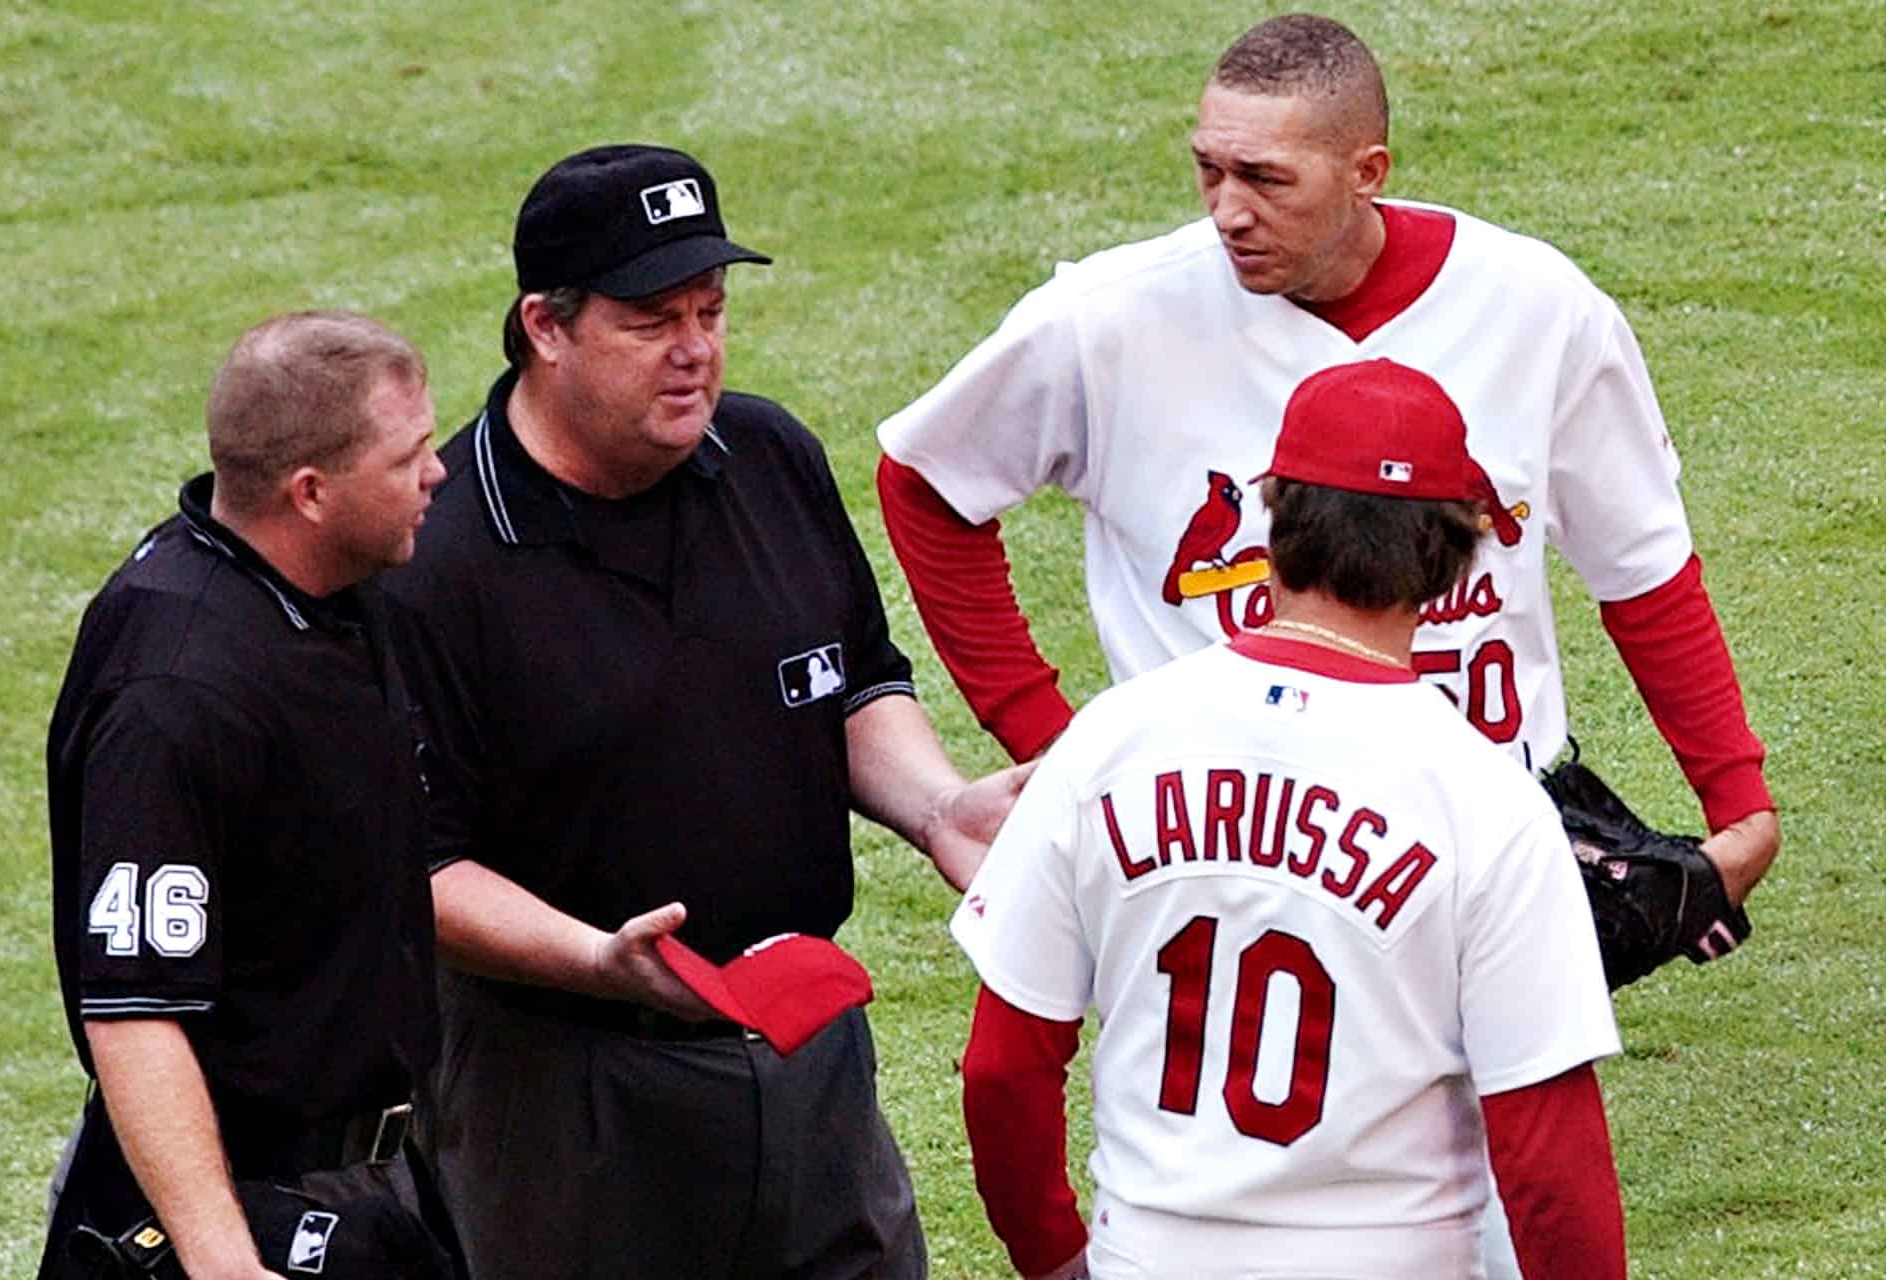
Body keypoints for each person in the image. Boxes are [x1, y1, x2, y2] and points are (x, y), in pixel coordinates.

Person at [874, 13, 1778, 913]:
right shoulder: (1109, 318)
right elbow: (926, 483)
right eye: (1209, 169)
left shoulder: (1536, 309)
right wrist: (1049, 735)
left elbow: (1644, 569)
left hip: (1482, 847)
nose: (1228, 210)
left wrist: (1737, 803)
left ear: (1367, 172)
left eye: (1266, 178)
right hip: (1211, 855)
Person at [381, 143, 1029, 1280]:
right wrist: (599, 959)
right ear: (544, 327)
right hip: (564, 1090)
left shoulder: (769, 457)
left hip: (807, 1050)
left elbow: (851, 682)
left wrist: (936, 807)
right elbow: (416, 866)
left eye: (711, 310)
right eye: (650, 321)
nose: (695, 350)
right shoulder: (437, 557)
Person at [954, 357, 1629, 1280]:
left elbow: (1002, 1069)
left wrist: (1053, 1256)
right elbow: (1548, 1155)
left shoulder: (1109, 741)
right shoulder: (1488, 801)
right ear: (1451, 558)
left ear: (1276, 522)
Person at [39, 311, 461, 1279]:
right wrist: (224, 1260)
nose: (436, 474)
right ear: (311, 492)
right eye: (408, 456)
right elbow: (135, 1008)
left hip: (372, 1183)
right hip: (240, 1208)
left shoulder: (331, 591)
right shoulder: (177, 690)